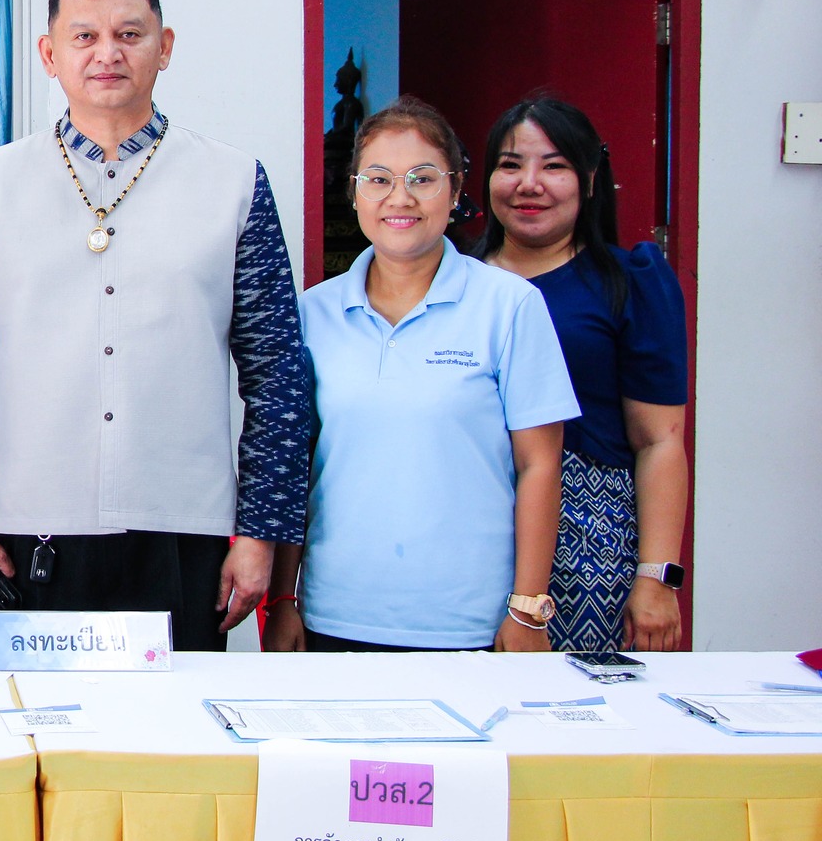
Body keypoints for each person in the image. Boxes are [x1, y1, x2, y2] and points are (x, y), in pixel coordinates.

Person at [0, 0, 311, 651]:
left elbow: (278, 373)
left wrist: (259, 533)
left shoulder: (234, 182)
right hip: (29, 533)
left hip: (185, 532)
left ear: (165, 46)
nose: (107, 53)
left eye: (129, 34)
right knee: (34, 718)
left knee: (179, 722)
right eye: (84, 36)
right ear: (49, 54)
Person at [265, 95, 581, 652]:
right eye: (378, 179)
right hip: (335, 614)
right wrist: (283, 600)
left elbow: (539, 465)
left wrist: (528, 608)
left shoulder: (509, 306)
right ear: (355, 193)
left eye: (423, 178)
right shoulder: (313, 313)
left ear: (456, 191)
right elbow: (297, 466)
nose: (400, 198)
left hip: (470, 621)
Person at [476, 97, 689, 652]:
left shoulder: (629, 281)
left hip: (587, 542)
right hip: (464, 529)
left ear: (589, 179)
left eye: (554, 166)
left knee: (567, 698)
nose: (529, 184)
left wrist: (657, 576)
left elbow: (660, 441)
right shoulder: (452, 280)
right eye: (510, 165)